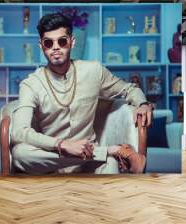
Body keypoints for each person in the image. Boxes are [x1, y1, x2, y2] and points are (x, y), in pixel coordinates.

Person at [11, 13, 153, 174]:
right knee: (19, 154)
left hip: (90, 163)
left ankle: (104, 156)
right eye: (48, 43)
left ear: (72, 42)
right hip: (53, 160)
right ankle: (110, 150)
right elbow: (18, 132)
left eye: (62, 41)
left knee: (111, 165)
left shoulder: (92, 70)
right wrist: (62, 145)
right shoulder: (31, 84)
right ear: (41, 46)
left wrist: (142, 103)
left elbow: (129, 88)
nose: (56, 47)